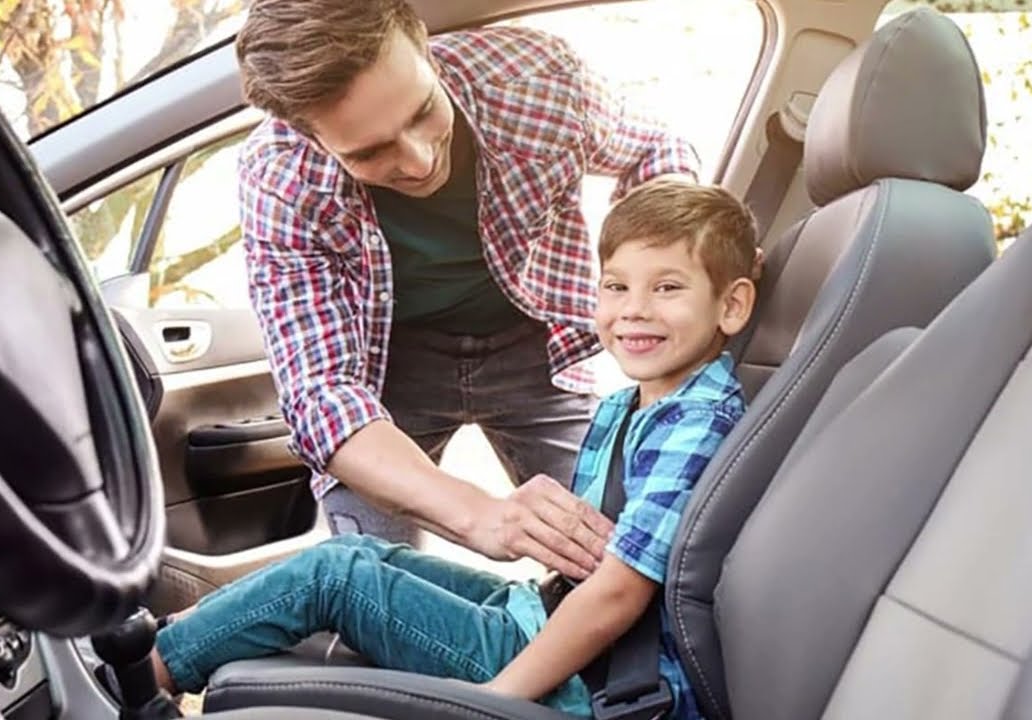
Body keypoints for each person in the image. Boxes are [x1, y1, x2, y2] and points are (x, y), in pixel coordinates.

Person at [143, 181, 758, 717]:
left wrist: (497, 697)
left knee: (335, 576)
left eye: (668, 288)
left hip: (597, 677)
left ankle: (140, 675)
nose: (634, 311)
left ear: (730, 305)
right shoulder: (636, 404)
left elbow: (623, 590)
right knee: (359, 552)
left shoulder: (695, 423)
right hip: (544, 615)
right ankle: (169, 641)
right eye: (616, 286)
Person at [235, 0, 704, 573]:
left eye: (423, 111)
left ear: (423, 45)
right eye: (370, 152)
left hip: (535, 348)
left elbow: (658, 152)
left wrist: (642, 286)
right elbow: (322, 395)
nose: (419, 159)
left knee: (626, 553)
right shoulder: (279, 178)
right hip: (385, 380)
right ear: (307, 135)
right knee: (371, 580)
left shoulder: (536, 81)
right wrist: (482, 516)